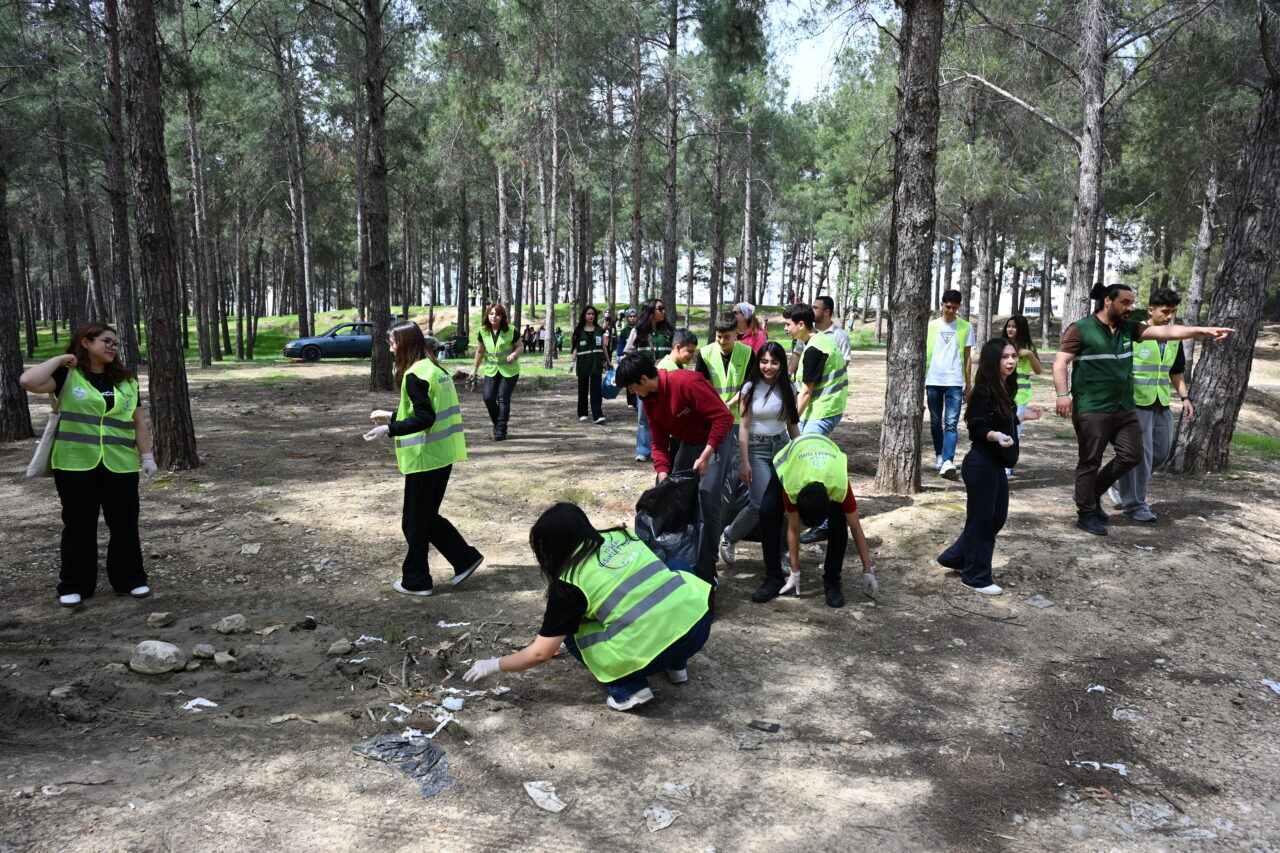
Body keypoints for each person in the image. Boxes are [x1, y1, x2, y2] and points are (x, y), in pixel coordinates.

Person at [461, 503, 712, 711]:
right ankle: (678, 666)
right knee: (677, 567)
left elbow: (540, 653)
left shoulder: (570, 582)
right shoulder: (622, 535)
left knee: (574, 634)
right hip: (698, 629)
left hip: (652, 653)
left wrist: (494, 664)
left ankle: (629, 689)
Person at [1053, 283, 1232, 535]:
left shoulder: (1129, 328)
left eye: (1131, 302)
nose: (1130, 307)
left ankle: (1091, 493)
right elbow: (1060, 363)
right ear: (1108, 301)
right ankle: (1086, 513)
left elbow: (1167, 331)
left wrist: (1203, 331)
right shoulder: (1080, 329)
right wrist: (1062, 395)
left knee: (1132, 455)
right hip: (1092, 407)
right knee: (1090, 462)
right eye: (1125, 302)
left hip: (1124, 407)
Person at [20, 323, 158, 607]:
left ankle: (130, 579)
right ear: (86, 342)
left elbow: (138, 421)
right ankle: (75, 584)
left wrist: (147, 456)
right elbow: (28, 381)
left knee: (124, 523)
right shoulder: (67, 375)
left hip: (120, 464)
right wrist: (61, 359)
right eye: (106, 341)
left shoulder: (127, 380)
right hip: (75, 463)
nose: (112, 347)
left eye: (115, 343)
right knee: (79, 524)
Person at [365, 323, 483, 596]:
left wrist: (389, 429)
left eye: (393, 343)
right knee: (425, 517)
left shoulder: (414, 375)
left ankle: (417, 580)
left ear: (405, 343)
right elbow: (428, 410)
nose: (391, 349)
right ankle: (464, 558)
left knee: (414, 522)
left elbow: (425, 418)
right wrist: (391, 415)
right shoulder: (435, 370)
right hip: (442, 455)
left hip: (425, 458)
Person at [616, 353, 733, 583]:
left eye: (631, 387)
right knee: (672, 494)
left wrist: (706, 455)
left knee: (706, 498)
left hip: (715, 440)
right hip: (688, 441)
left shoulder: (687, 382)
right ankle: (681, 554)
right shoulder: (649, 399)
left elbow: (724, 418)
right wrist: (662, 472)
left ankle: (709, 567)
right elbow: (659, 442)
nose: (632, 392)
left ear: (644, 379)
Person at [937, 339, 1042, 594]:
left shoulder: (1005, 387)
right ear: (992, 360)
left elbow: (1000, 420)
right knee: (982, 521)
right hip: (981, 464)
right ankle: (976, 577)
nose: (1011, 361)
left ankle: (956, 558)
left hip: (996, 464)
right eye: (1005, 357)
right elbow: (977, 426)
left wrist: (1020, 418)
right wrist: (995, 436)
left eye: (1013, 356)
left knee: (995, 518)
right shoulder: (983, 391)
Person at [751, 434, 876, 608]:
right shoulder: (792, 486)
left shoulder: (839, 486)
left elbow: (855, 527)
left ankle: (832, 580)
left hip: (827, 458)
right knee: (767, 512)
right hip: (790, 460)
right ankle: (773, 578)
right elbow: (794, 529)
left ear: (830, 499)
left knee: (839, 523)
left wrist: (867, 569)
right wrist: (795, 571)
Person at [1106, 288, 1196, 522]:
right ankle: (1136, 505)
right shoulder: (1134, 333)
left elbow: (1176, 371)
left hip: (1161, 402)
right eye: (1165, 311)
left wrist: (1185, 398)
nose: (1169, 316)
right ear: (1151, 310)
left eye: (1173, 312)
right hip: (1136, 403)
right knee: (1142, 456)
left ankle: (1118, 482)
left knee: (1161, 453)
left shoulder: (1174, 337)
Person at [720, 341, 799, 569]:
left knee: (785, 503)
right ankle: (730, 535)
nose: (768, 367)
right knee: (760, 503)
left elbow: (792, 425)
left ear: (781, 364)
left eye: (774, 362)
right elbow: (744, 427)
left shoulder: (789, 387)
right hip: (756, 448)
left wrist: (801, 451)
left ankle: (781, 554)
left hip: (782, 447)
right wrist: (744, 462)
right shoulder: (749, 388)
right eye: (764, 361)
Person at [781, 302, 849, 543]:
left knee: (813, 464)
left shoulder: (814, 349)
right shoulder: (817, 341)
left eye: (788, 324)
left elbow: (806, 392)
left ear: (801, 324)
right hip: (820, 408)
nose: (785, 328)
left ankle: (826, 522)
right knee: (803, 458)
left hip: (824, 410)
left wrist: (790, 421)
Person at [925, 289, 974, 481]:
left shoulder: (966, 327)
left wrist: (968, 385)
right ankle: (939, 455)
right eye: (948, 307)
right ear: (941, 304)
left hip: (954, 381)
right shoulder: (931, 326)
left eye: (955, 308)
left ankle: (948, 461)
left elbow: (968, 358)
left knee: (951, 423)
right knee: (935, 421)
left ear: (959, 307)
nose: (951, 311)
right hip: (933, 380)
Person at [623, 298, 675, 463]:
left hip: (665, 381)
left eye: (663, 308)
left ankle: (665, 449)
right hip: (644, 382)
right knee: (644, 416)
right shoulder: (637, 331)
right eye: (660, 309)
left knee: (667, 415)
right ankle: (643, 450)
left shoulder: (669, 331)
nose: (663, 311)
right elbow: (628, 354)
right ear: (650, 311)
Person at [471, 303, 523, 441]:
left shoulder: (511, 330)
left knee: (503, 399)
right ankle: (498, 423)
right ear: (487, 315)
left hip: (509, 371)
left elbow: (520, 346)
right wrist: (474, 369)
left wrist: (514, 355)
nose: (494, 317)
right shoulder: (483, 331)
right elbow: (480, 351)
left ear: (502, 317)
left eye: (498, 314)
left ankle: (501, 430)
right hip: (491, 370)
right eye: (492, 314)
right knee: (488, 397)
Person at [1003, 314, 1043, 475]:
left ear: (1021, 329)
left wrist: (1030, 355)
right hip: (1002, 393)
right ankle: (1000, 461)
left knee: (1014, 428)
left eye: (1014, 327)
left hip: (1020, 396)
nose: (1010, 329)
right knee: (1000, 426)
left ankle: (1008, 464)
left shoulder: (1028, 348)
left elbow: (1038, 371)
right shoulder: (1002, 345)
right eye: (1008, 326)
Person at [570, 305, 611, 424]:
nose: (590, 316)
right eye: (588, 314)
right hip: (583, 363)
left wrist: (608, 362)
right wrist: (572, 361)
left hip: (596, 363)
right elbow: (576, 347)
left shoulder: (599, 330)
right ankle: (582, 413)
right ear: (584, 315)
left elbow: (603, 346)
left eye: (592, 314)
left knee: (596, 390)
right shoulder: (578, 330)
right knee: (582, 389)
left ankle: (597, 415)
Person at [616, 308, 639, 409]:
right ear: (627, 318)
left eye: (634, 316)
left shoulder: (641, 329)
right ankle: (630, 402)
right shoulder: (624, 331)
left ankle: (638, 401)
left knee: (638, 380)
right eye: (630, 316)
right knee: (629, 380)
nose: (632, 318)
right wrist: (620, 355)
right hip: (628, 359)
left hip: (638, 359)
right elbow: (621, 344)